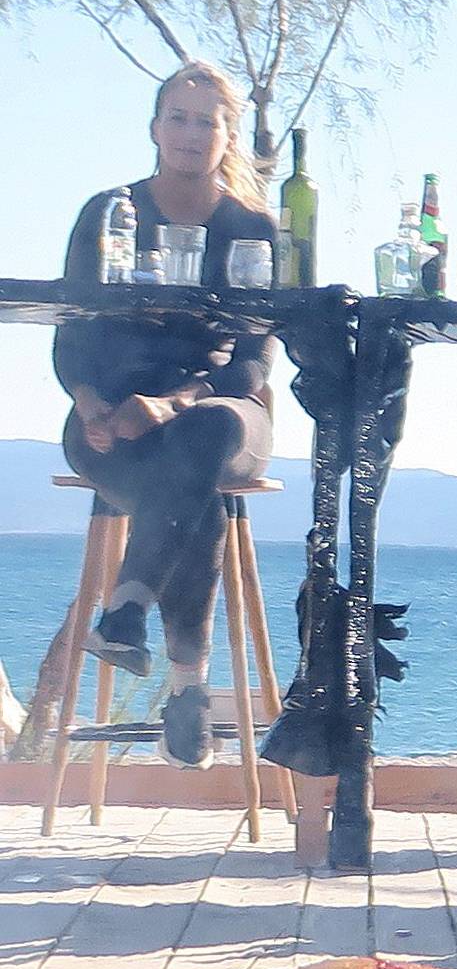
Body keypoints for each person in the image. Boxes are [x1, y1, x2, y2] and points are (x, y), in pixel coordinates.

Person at [58, 62, 277, 766]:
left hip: (220, 418)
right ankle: (188, 692)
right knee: (197, 505)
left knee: (203, 438)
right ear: (154, 128)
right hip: (114, 424)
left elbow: (252, 366)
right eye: (178, 118)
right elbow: (71, 334)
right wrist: (94, 407)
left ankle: (127, 608)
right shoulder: (108, 212)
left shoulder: (251, 227)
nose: (191, 133)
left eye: (207, 121)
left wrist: (173, 403)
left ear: (228, 135)